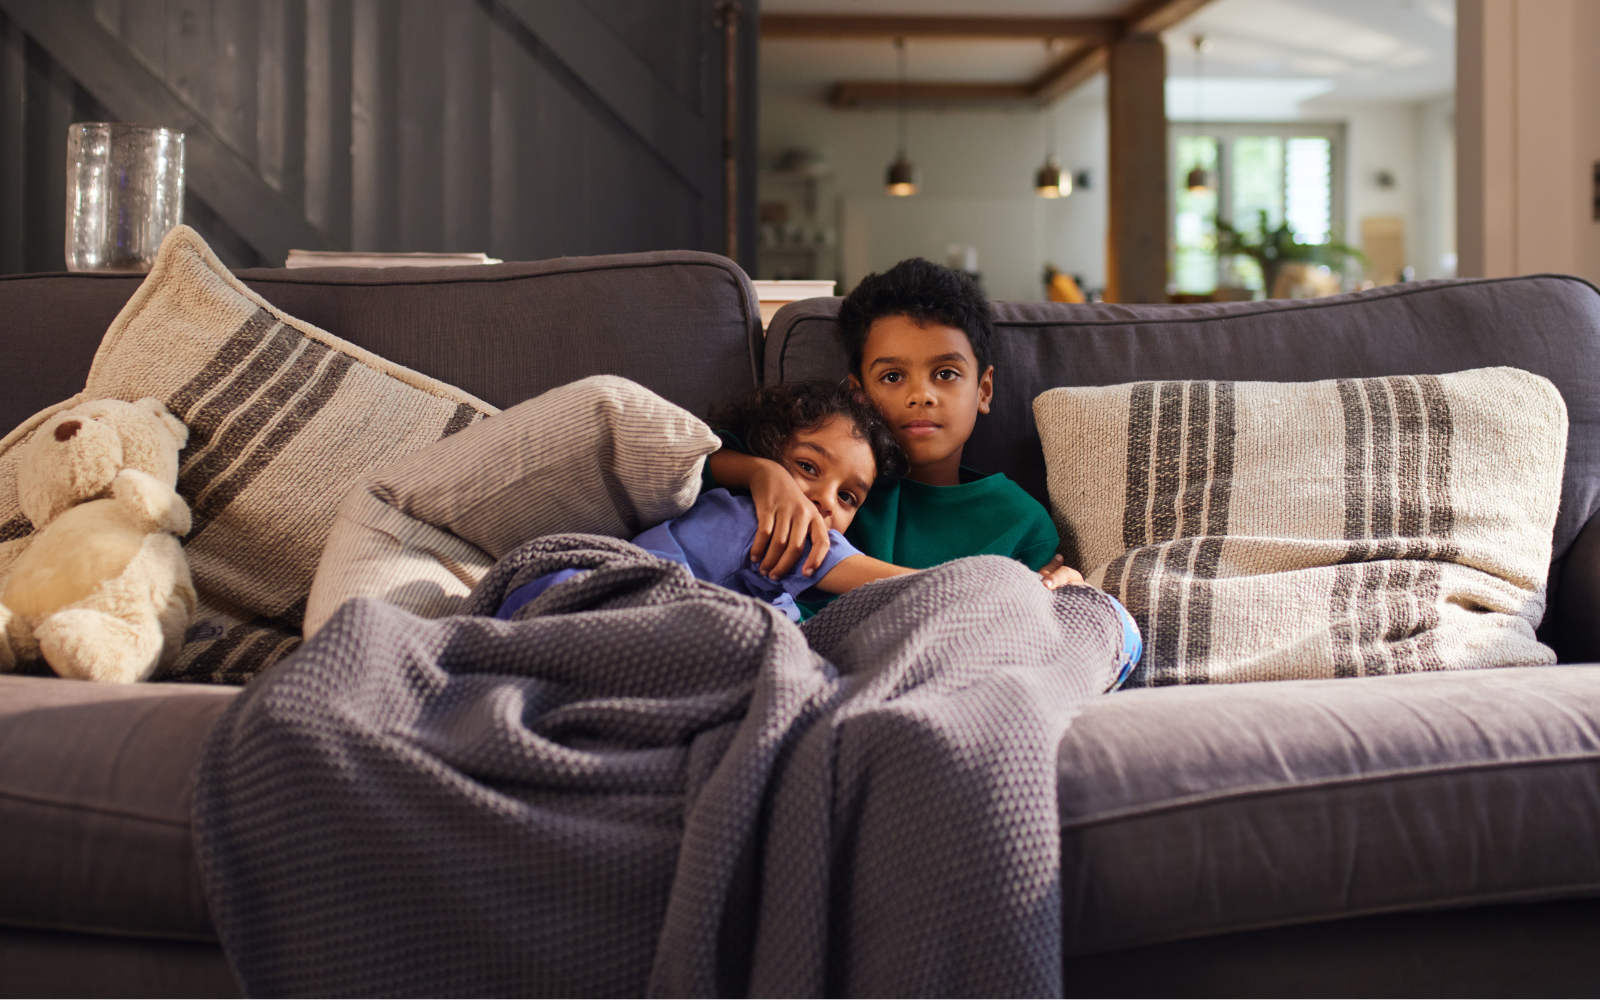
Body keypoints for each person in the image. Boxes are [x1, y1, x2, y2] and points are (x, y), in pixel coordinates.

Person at [706, 257, 1083, 595]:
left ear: (983, 390)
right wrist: (763, 473)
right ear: (859, 395)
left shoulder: (1020, 519)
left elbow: (1034, 620)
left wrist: (1068, 594)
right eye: (891, 376)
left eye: (946, 373)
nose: (921, 395)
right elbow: (694, 462)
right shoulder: (823, 476)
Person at [497, 380, 914, 623]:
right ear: (765, 454)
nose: (824, 501)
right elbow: (907, 586)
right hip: (592, 599)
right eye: (807, 467)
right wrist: (975, 583)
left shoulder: (782, 590)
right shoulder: (752, 520)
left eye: (846, 496)